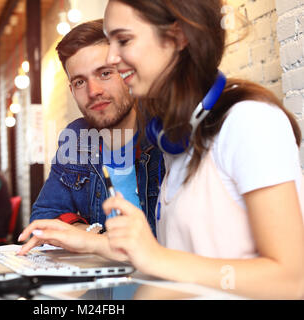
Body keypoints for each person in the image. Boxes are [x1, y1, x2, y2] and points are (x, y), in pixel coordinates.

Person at [19, 0, 304, 299]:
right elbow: (180, 274)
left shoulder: (249, 120)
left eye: (124, 40)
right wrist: (102, 244)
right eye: (80, 80)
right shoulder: (175, 140)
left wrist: (155, 257)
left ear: (177, 36)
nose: (114, 58)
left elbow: (292, 282)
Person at [30, 19, 164, 235]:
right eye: (80, 82)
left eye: (105, 73)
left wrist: (84, 239)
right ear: (72, 91)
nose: (93, 91)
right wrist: (95, 236)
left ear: (128, 72)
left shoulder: (166, 134)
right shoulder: (77, 139)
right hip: (107, 268)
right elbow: (43, 217)